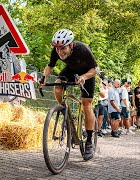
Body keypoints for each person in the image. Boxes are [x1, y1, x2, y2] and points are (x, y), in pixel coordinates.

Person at [39, 29, 97, 161]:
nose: (60, 52)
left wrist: (83, 77)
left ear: (71, 45)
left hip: (87, 73)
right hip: (71, 70)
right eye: (57, 49)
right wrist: (44, 77)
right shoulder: (56, 51)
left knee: (86, 103)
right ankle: (64, 111)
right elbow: (50, 66)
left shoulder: (83, 49)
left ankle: (88, 142)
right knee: (57, 87)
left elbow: (94, 69)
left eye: (63, 48)